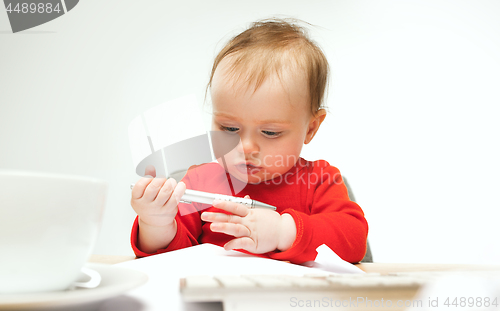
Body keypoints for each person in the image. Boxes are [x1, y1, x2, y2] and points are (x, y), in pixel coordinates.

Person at [130, 18, 368, 264]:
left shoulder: (319, 181)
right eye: (230, 128)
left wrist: (283, 232)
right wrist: (155, 223)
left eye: (270, 132)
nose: (245, 147)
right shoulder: (200, 182)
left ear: (311, 128)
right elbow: (168, 258)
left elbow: (354, 239)